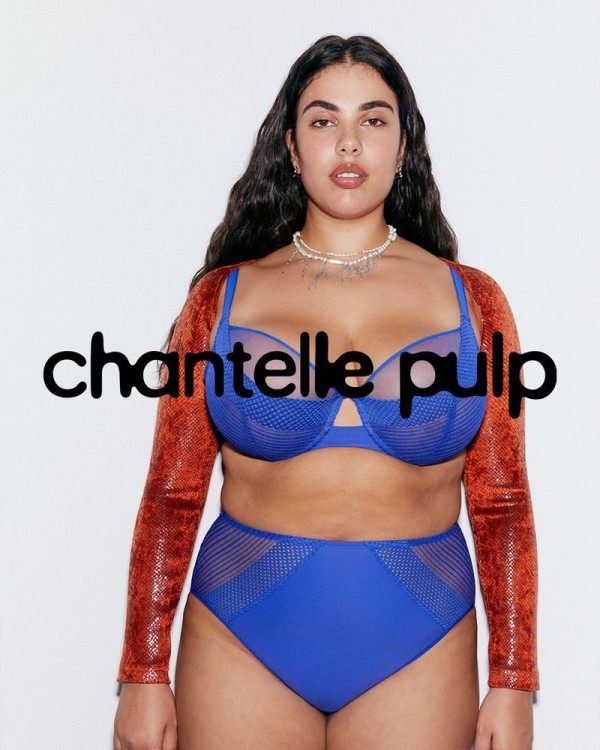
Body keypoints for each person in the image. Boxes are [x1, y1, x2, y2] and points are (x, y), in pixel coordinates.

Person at [113, 34, 539, 750]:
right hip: (240, 634)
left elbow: (502, 504)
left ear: (403, 147)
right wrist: (143, 671)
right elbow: (171, 495)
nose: (349, 143)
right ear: (291, 145)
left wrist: (514, 677)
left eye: (373, 119)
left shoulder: (475, 303)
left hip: (421, 639)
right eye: (323, 120)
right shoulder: (220, 300)